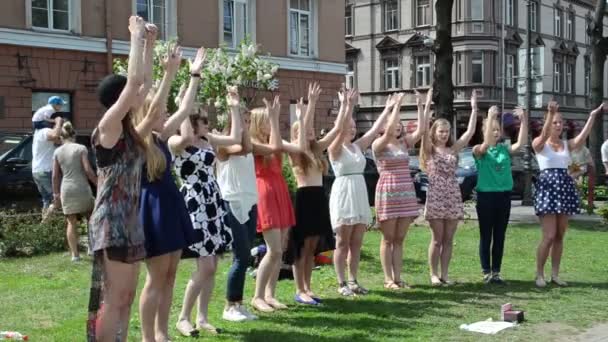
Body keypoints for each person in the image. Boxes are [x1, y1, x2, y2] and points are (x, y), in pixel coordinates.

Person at [86, 16, 156, 341]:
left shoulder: (131, 134)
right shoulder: (108, 128)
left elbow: (145, 87)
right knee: (114, 299)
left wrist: (150, 45)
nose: (138, 96)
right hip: (110, 223)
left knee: (126, 298)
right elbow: (133, 86)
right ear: (118, 100)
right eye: (129, 96)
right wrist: (135, 37)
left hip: (129, 222)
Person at [134, 45, 207, 342]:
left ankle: (162, 333)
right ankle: (148, 338)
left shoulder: (161, 137)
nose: (166, 114)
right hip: (152, 208)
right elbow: (153, 109)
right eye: (162, 111)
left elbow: (186, 109)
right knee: (155, 277)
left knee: (170, 275)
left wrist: (195, 75)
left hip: (171, 204)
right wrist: (168, 73)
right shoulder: (138, 138)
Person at [171, 87, 242, 336]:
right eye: (203, 121)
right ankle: (182, 318)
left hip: (212, 201)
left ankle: (201, 318)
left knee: (212, 264)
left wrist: (235, 107)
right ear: (193, 122)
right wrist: (184, 105)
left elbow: (235, 138)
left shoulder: (208, 140)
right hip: (195, 203)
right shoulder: (176, 141)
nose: (207, 125)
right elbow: (186, 138)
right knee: (206, 267)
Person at [328, 90, 396, 296]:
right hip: (343, 193)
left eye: (354, 127)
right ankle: (341, 283)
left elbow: (375, 130)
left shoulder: (358, 146)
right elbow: (340, 126)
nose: (351, 129)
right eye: (348, 127)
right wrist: (346, 106)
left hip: (358, 193)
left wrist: (387, 109)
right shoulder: (335, 148)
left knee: (356, 241)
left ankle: (353, 280)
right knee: (342, 241)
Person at [285, 83, 349, 305]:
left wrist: (345, 105)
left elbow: (338, 128)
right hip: (304, 199)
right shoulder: (295, 152)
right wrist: (310, 105)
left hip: (318, 198)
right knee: (301, 247)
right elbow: (304, 129)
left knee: (312, 248)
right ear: (298, 132)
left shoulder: (317, 149)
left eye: (312, 129)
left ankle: (308, 288)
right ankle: (299, 289)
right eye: (306, 129)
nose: (311, 131)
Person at [532, 101, 602, 288]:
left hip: (564, 189)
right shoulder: (539, 144)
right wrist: (550, 113)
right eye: (554, 122)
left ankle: (555, 274)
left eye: (560, 122)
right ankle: (539, 274)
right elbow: (544, 135)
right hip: (548, 189)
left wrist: (592, 117)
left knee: (560, 235)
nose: (558, 125)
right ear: (547, 123)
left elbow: (581, 138)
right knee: (549, 235)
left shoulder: (566, 144)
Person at [372, 89, 432, 290]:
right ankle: (388, 279)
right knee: (388, 238)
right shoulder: (378, 144)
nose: (397, 127)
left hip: (405, 191)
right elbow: (388, 132)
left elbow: (422, 130)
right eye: (393, 124)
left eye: (400, 125)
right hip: (388, 192)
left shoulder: (405, 143)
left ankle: (398, 277)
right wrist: (395, 106)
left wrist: (421, 105)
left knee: (399, 239)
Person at [420, 91, 478, 286]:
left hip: (452, 193)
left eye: (447, 132)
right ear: (435, 132)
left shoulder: (453, 149)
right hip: (436, 194)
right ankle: (433, 274)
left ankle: (445, 274)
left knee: (449, 239)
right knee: (437, 239)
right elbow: (422, 131)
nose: (444, 135)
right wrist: (427, 105)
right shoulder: (429, 148)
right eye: (441, 131)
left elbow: (469, 133)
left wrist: (474, 109)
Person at [249, 96, 301, 312]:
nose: (272, 125)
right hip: (266, 193)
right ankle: (257, 296)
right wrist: (274, 116)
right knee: (273, 250)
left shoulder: (273, 140)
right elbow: (274, 147)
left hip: (279, 191)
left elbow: (297, 149)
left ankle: (270, 294)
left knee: (280, 250)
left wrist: (299, 118)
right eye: (268, 120)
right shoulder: (253, 143)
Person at [472, 105, 528, 284]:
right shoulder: (479, 150)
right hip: (486, 197)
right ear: (485, 131)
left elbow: (521, 144)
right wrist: (489, 116)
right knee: (486, 235)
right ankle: (486, 272)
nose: (496, 133)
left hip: (503, 197)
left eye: (498, 130)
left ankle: (496, 272)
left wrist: (523, 120)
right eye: (492, 130)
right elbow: (485, 145)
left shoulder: (504, 149)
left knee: (500, 236)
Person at [217, 110, 259, 322]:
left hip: (250, 201)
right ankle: (229, 306)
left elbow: (252, 147)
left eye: (249, 121)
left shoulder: (248, 143)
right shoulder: (223, 146)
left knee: (244, 256)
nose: (247, 124)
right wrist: (237, 118)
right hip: (232, 201)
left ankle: (238, 304)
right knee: (242, 255)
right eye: (244, 120)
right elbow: (245, 148)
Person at [51, 121, 97, 261]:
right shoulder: (81, 148)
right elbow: (88, 170)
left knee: (71, 222)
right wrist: (98, 183)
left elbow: (54, 176)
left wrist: (56, 194)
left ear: (61, 137)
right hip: (82, 187)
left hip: (67, 188)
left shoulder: (57, 151)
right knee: (91, 218)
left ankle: (75, 255)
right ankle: (92, 248)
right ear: (74, 135)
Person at [32, 114, 63, 219]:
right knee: (57, 200)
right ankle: (43, 226)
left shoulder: (38, 133)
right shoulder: (44, 131)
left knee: (47, 201)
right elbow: (56, 137)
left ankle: (45, 230)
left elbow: (58, 140)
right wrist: (58, 122)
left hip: (37, 171)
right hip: (45, 171)